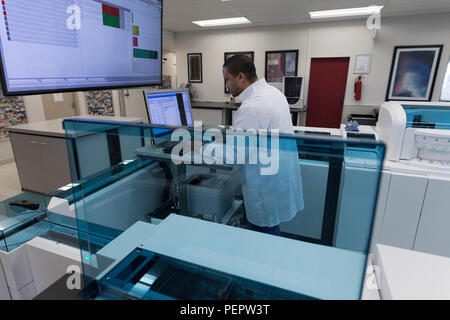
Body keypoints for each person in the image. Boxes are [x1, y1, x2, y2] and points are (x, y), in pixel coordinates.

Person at [222, 54, 304, 236]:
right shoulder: (274, 93)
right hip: (276, 178)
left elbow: (234, 155)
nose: (227, 86)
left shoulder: (252, 106)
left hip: (265, 185)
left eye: (227, 80)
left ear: (241, 77)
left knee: (264, 234)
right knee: (271, 230)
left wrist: (199, 149)